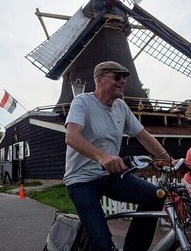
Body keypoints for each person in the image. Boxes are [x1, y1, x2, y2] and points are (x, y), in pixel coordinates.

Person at [64, 61, 173, 251]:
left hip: (110, 176)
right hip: (81, 180)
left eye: (125, 77)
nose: (123, 81)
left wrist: (171, 160)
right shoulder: (82, 102)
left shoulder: (121, 107)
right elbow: (72, 136)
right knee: (102, 244)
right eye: (117, 76)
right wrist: (102, 157)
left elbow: (143, 136)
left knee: (155, 196)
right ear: (99, 80)